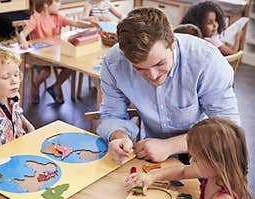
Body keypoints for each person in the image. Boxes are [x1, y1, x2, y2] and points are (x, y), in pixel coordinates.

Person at [97, 7, 240, 164]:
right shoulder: (114, 62)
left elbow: (228, 129)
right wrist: (118, 136)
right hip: (152, 149)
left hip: (205, 147)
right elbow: (112, 114)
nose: (153, 76)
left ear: (172, 42)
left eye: (160, 63)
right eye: (140, 68)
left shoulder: (207, 61)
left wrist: (170, 146)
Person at [125, 117, 252, 199]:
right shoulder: (215, 173)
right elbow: (183, 171)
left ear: (217, 164)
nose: (191, 161)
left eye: (196, 159)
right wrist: (152, 176)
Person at [17, 0, 95, 104]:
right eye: (57, 2)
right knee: (46, 72)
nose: (60, 4)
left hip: (55, 54)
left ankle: (56, 86)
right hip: (40, 56)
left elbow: (75, 23)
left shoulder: (58, 16)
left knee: (71, 67)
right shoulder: (36, 18)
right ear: (46, 4)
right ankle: (35, 86)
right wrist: (23, 42)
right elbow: (23, 34)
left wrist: (91, 25)